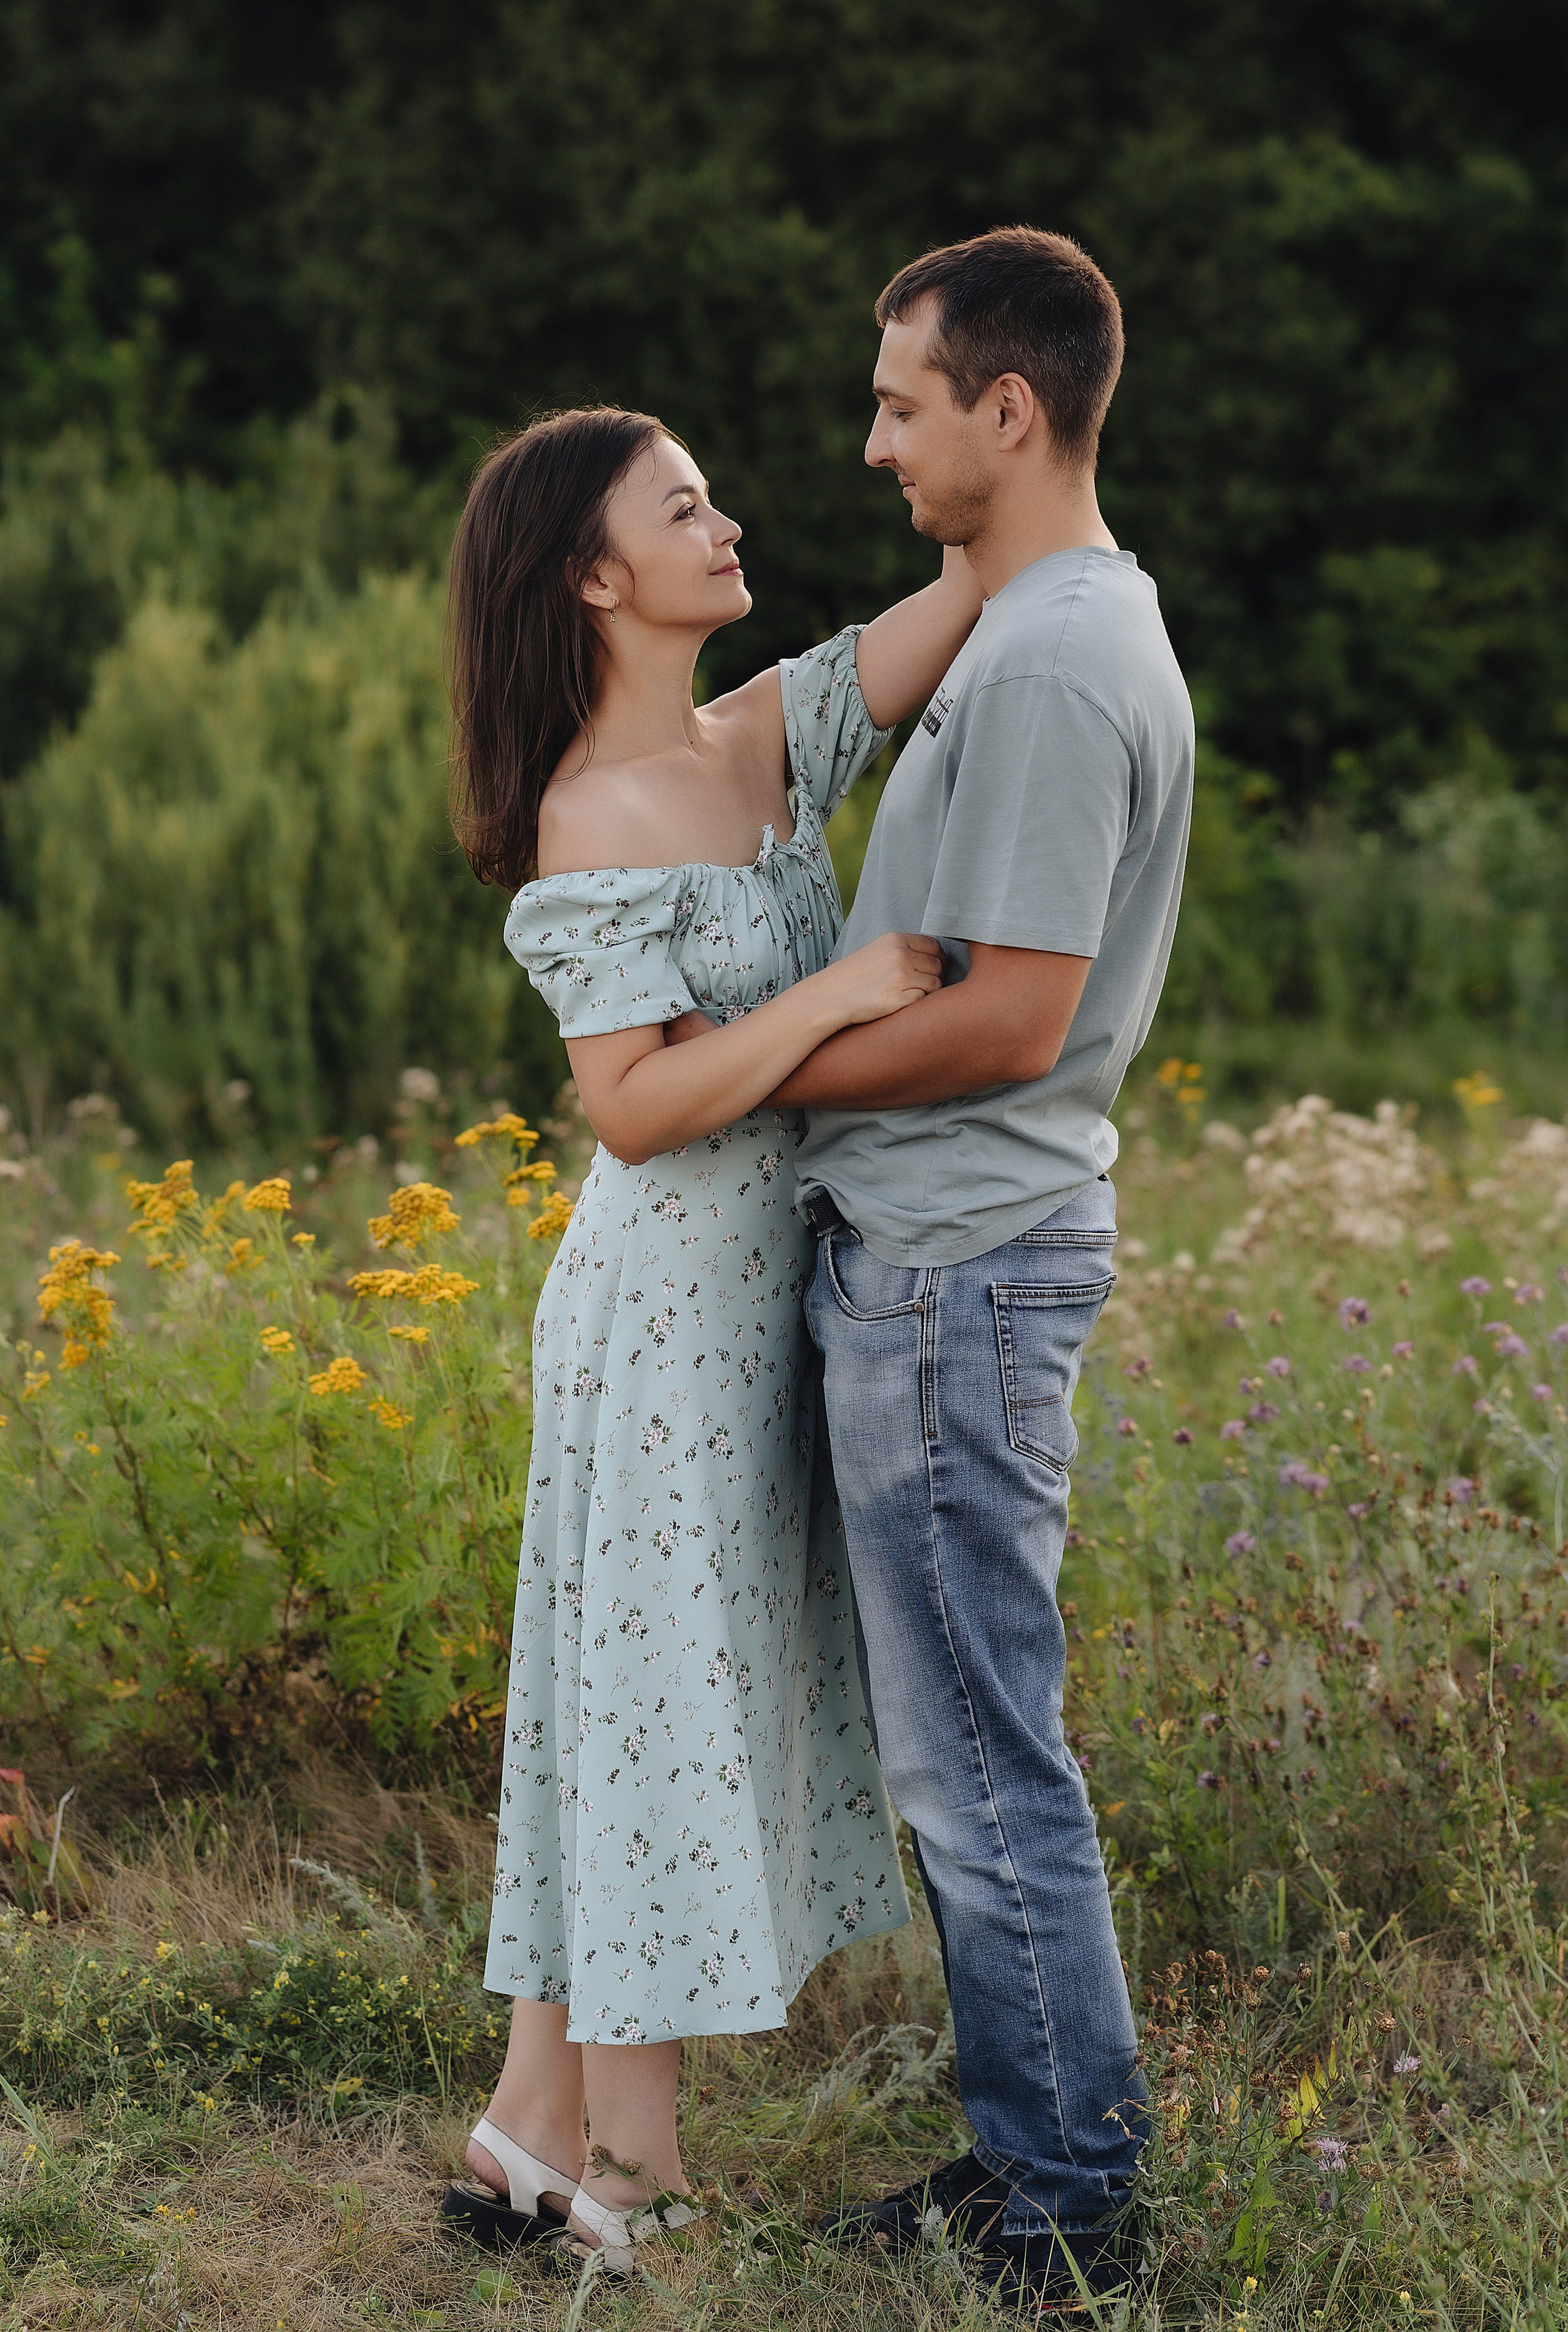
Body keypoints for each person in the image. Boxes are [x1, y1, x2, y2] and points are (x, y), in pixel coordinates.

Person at [437, 404, 984, 2276]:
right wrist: (837, 994)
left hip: (763, 1300)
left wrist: (1021, 455)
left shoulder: (761, 735)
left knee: (634, 1701)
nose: (727, 522)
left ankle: (531, 2118)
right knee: (656, 1709)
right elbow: (635, 1109)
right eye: (683, 509)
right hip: (664, 1312)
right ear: (596, 579)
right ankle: (633, 2172)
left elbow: (965, 595)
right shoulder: (589, 813)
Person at [776, 226, 1196, 2311]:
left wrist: (758, 1068)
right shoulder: (1045, 623)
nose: (876, 445)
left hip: (960, 1262)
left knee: (977, 1755)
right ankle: (1039, 2151)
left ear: (1007, 411)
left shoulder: (1045, 663)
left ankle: (1074, 2205)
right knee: (964, 1745)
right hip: (950, 1251)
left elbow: (1016, 1015)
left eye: (901, 404)